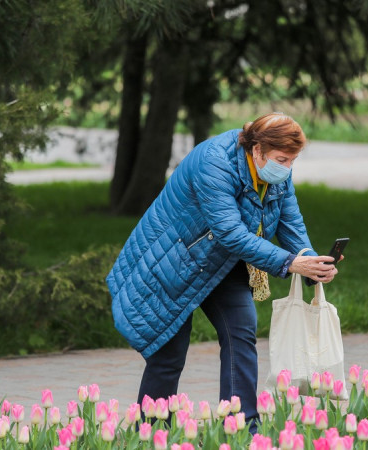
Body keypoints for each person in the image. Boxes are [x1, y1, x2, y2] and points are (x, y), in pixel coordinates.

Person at [105, 112, 339, 432]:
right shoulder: (214, 162)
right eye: (282, 160)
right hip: (174, 261)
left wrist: (311, 262)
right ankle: (150, 433)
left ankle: (241, 428)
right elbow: (230, 232)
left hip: (223, 262)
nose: (286, 168)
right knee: (168, 354)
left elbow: (291, 223)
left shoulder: (276, 172)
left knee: (241, 333)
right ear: (257, 150)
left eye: (292, 161)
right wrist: (288, 263)